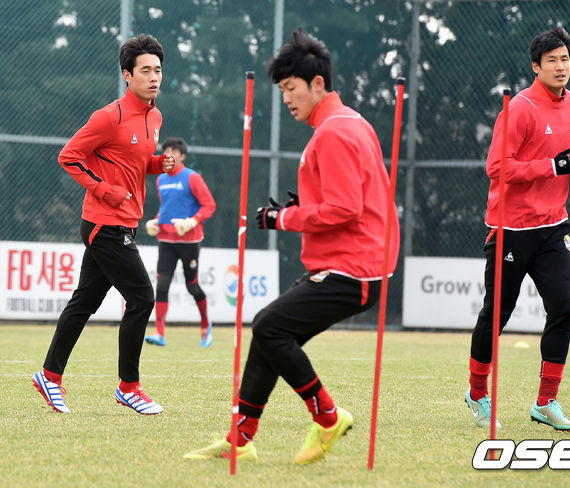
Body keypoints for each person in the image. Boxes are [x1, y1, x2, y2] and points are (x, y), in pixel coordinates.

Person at [184, 28, 400, 464]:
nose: (285, 98)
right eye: (282, 90)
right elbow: (347, 198)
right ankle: (240, 440)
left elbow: (346, 209)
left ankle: (327, 417)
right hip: (352, 261)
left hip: (353, 267)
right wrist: (303, 208)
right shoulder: (349, 122)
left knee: (268, 326)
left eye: (290, 88)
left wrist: (280, 218)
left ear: (318, 83)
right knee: (268, 334)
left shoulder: (334, 132)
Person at [32, 34, 176, 415]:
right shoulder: (108, 117)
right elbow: (69, 157)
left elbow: (134, 162)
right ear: (127, 75)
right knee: (143, 298)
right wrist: (105, 190)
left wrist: (157, 164)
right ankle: (129, 388)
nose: (154, 77)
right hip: (104, 224)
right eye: (145, 71)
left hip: (125, 223)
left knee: (84, 302)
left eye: (158, 70)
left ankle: (49, 376)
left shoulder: (155, 117)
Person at [465, 27, 570, 431]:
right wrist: (552, 167)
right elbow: (497, 168)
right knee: (496, 314)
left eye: (565, 59)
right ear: (536, 66)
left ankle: (546, 402)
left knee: (563, 307)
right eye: (552, 60)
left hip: (554, 225)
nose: (560, 66)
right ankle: (477, 393)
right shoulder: (519, 108)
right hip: (511, 227)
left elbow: (558, 154)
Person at [144, 137, 216, 348]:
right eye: (167, 151)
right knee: (162, 285)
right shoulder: (161, 179)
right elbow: (166, 207)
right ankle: (160, 333)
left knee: (192, 286)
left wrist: (191, 221)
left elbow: (209, 205)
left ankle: (205, 325)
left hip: (189, 241)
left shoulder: (192, 177)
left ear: (183, 156)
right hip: (166, 240)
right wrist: (156, 221)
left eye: (175, 152)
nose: (170, 155)